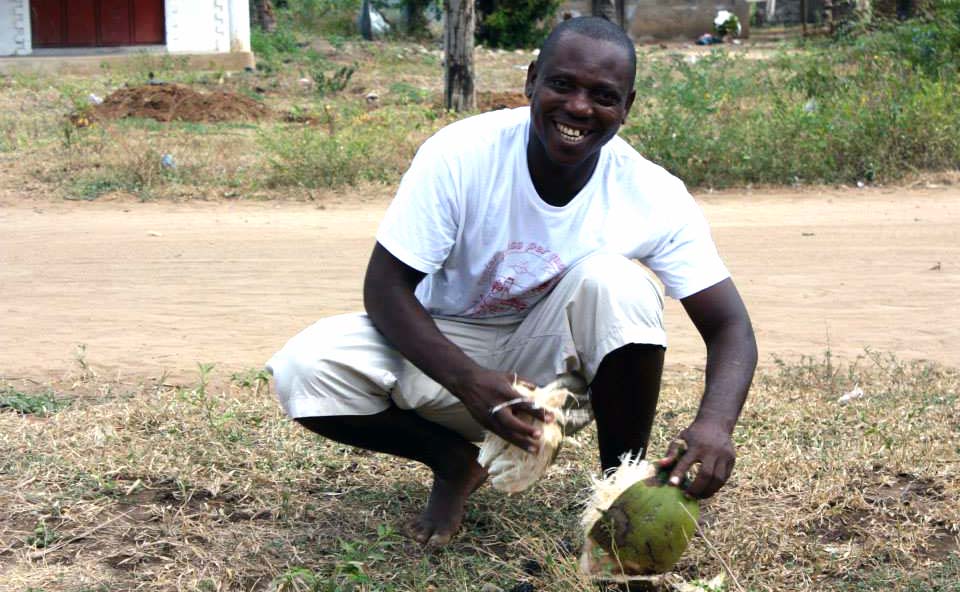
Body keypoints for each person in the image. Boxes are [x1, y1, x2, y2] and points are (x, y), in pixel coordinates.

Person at [268, 16, 757, 547]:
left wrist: (714, 425)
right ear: (531, 81)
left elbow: (730, 326)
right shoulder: (461, 154)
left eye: (603, 95)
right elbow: (385, 289)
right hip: (448, 345)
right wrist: (469, 382)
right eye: (562, 84)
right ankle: (454, 463)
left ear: (627, 107)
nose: (578, 108)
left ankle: (620, 492)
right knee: (305, 368)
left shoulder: (651, 192)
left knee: (618, 281)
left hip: (559, 378)